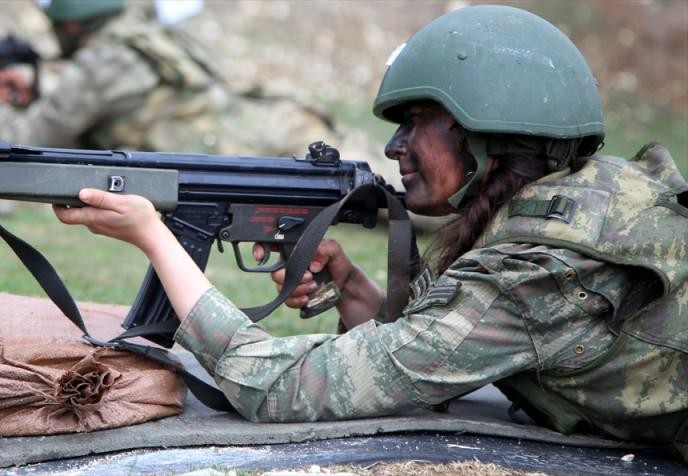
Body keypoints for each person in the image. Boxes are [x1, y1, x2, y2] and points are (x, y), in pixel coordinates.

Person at [50, 4, 688, 459]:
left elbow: (279, 390)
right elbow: (441, 346)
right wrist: (360, 295)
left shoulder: (539, 272)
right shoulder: (588, 193)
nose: (394, 146)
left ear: (489, 131)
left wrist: (156, 238)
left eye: (416, 122)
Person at [0, 0, 339, 156]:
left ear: (69, 26)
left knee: (394, 203)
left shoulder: (100, 63)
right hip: (278, 126)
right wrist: (44, 86)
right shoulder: (139, 33)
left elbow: (21, 141)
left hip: (270, 150)